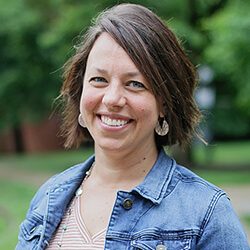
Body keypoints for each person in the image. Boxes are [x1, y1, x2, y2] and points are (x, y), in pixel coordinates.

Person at [16, 3, 249, 250]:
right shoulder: (49, 197)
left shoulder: (206, 215)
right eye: (99, 80)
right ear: (80, 90)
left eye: (135, 84)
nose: (112, 99)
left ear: (165, 103)